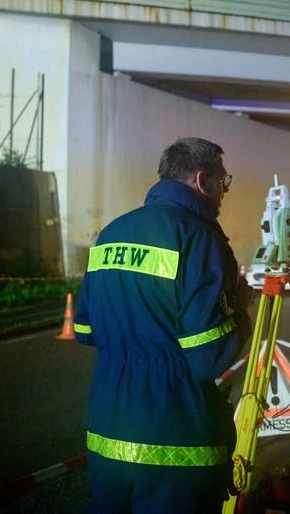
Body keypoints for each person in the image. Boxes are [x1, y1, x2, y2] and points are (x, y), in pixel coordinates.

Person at [74, 137, 250, 514]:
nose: (224, 190)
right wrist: (241, 313)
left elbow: (85, 331)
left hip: (109, 431)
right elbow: (208, 358)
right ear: (201, 180)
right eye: (223, 180)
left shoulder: (111, 233)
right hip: (176, 444)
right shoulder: (200, 239)